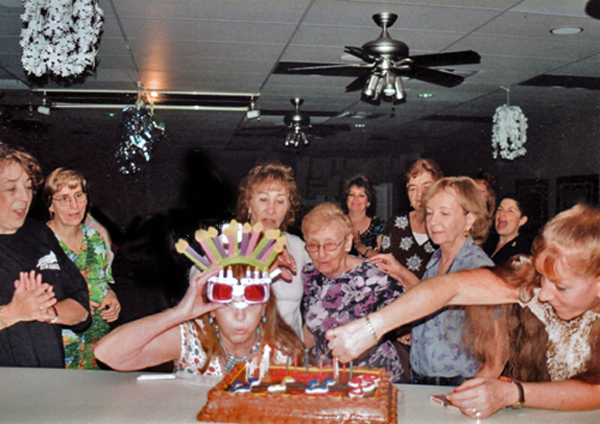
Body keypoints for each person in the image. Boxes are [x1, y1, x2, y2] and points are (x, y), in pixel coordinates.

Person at [327, 203, 600, 418]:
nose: (544, 293)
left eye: (562, 287)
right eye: (542, 278)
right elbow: (449, 288)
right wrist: (371, 327)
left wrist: (512, 393)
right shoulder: (532, 280)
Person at [94, 237, 305, 375]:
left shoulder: (283, 352)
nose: (239, 316)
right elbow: (107, 353)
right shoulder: (193, 341)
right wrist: (179, 313)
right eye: (228, 304)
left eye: (250, 305)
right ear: (211, 309)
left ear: (264, 309)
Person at [374, 177, 493, 385]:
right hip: (421, 378)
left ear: (469, 220)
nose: (433, 221)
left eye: (444, 213)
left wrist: (469, 396)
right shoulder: (437, 257)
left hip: (455, 385)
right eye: (429, 213)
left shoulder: (479, 269)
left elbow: (496, 354)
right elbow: (433, 298)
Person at [0, 144, 90, 368]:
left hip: (50, 383)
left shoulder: (39, 233)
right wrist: (13, 312)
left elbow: (81, 307)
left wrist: (50, 313)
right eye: (11, 189)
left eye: (29, 187)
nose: (24, 197)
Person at [301, 202, 405, 382]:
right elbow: (311, 328)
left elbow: (408, 313)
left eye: (330, 245)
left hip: (372, 377)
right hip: (325, 378)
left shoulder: (375, 277)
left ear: (347, 243)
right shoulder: (310, 275)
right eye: (313, 245)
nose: (321, 254)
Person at [44, 168, 121, 369]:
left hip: (96, 347)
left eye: (79, 195)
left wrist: (111, 297)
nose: (74, 205)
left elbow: (103, 281)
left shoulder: (95, 236)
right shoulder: (40, 243)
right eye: (64, 198)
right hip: (60, 351)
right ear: (50, 205)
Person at [236, 163, 310, 339]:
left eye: (280, 201)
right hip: (243, 353)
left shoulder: (297, 247)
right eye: (263, 199)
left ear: (288, 208)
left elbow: (331, 278)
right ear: (248, 203)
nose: (271, 209)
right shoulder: (229, 243)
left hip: (289, 356)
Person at [374, 158, 442, 287]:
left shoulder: (445, 229)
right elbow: (382, 270)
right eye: (412, 188)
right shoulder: (395, 224)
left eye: (426, 187)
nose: (419, 195)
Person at [341, 175, 385, 258]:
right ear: (346, 200)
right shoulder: (337, 222)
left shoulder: (378, 225)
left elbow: (383, 258)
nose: (355, 199)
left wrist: (362, 248)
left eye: (361, 195)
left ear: (368, 202)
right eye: (351, 195)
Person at [484, 193, 531, 265]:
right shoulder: (487, 243)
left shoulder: (521, 252)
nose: (502, 213)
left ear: (522, 220)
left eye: (510, 211)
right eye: (500, 209)